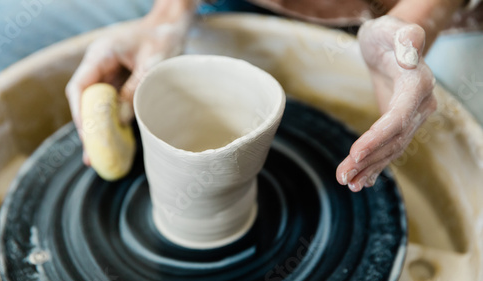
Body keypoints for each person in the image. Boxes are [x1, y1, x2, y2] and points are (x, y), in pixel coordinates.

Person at [65, 0, 479, 192]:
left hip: (409, 12)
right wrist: (168, 16)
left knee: (457, 118)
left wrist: (411, 27)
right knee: (1, 33)